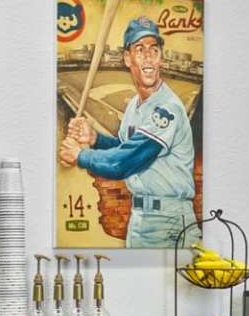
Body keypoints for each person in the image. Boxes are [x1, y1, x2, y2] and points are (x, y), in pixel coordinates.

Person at [62, 15, 198, 250]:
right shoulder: (135, 105)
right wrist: (95, 139)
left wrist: (80, 155)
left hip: (169, 220)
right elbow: (124, 147)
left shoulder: (167, 108)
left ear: (161, 58)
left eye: (153, 50)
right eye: (140, 49)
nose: (148, 57)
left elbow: (125, 163)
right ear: (127, 58)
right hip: (142, 217)